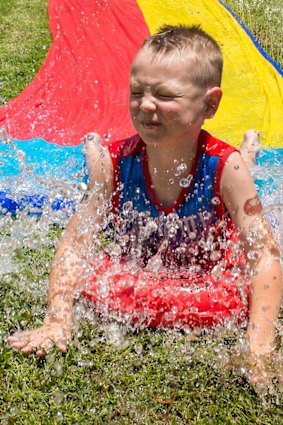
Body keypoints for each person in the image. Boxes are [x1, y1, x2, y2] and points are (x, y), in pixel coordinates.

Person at [8, 25, 282, 384]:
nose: (146, 104)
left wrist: (260, 348)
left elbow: (264, 255)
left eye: (165, 95)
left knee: (238, 169)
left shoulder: (224, 169)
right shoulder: (115, 165)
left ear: (210, 104)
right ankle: (91, 147)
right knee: (100, 162)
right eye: (137, 92)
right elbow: (76, 245)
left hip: (216, 225)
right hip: (114, 178)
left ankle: (249, 150)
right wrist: (57, 320)